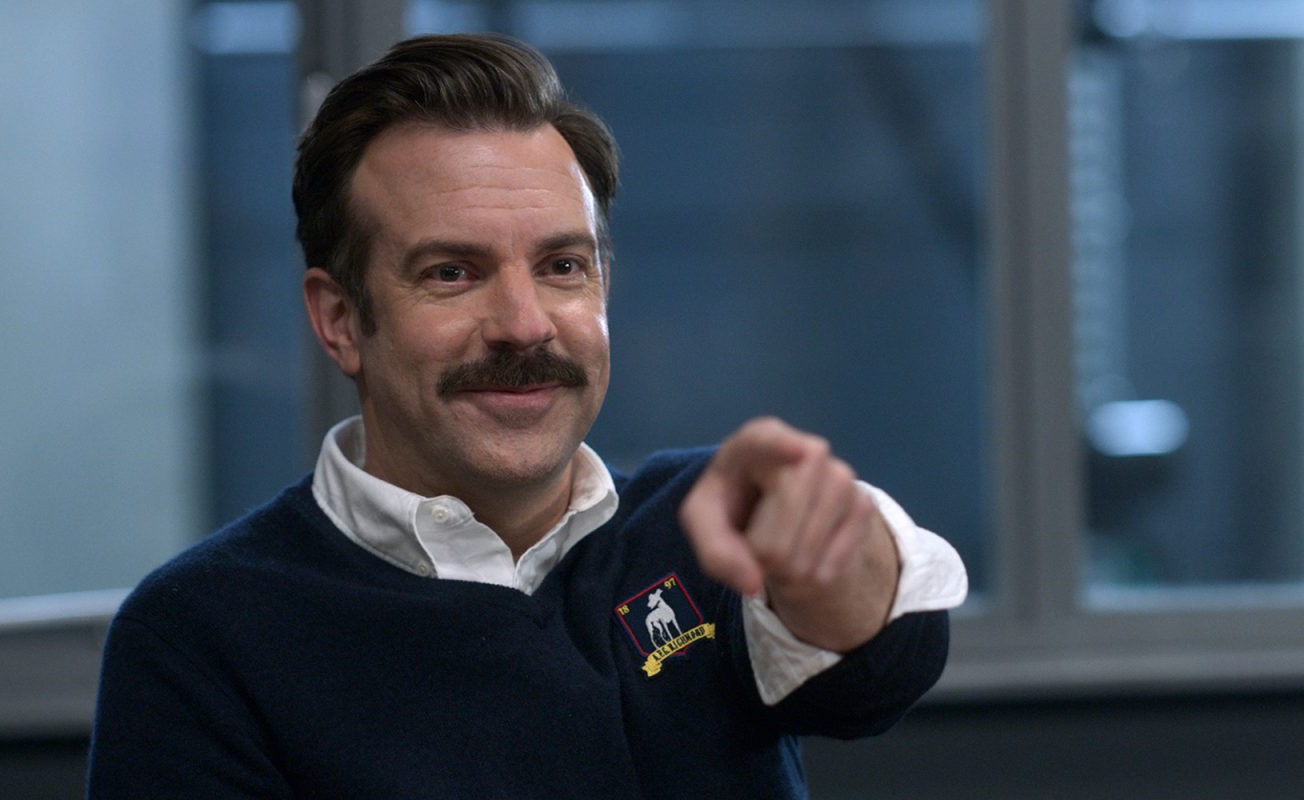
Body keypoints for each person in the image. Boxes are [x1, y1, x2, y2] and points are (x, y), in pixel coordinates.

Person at [87, 33, 966, 799]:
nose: (524, 324)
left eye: (562, 267)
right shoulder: (204, 634)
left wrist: (830, 554)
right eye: (452, 273)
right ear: (341, 320)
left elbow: (881, 666)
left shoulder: (702, 530)